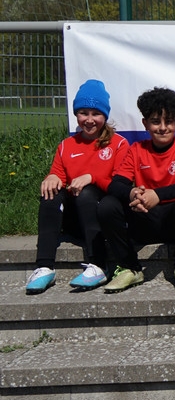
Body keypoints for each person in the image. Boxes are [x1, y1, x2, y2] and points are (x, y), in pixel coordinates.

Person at [26, 80, 129, 295]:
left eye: (96, 114)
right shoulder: (66, 146)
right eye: (83, 113)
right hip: (75, 219)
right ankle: (44, 267)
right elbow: (58, 175)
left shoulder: (119, 144)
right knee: (50, 194)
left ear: (105, 116)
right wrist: (52, 177)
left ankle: (98, 265)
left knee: (87, 192)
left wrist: (92, 177)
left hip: (103, 217)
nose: (89, 120)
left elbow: (120, 186)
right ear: (76, 114)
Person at [98, 87, 175, 292]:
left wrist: (157, 194)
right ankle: (129, 268)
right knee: (107, 205)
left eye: (169, 121)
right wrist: (133, 193)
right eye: (156, 122)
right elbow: (116, 184)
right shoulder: (137, 149)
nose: (163, 128)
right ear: (145, 123)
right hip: (144, 219)